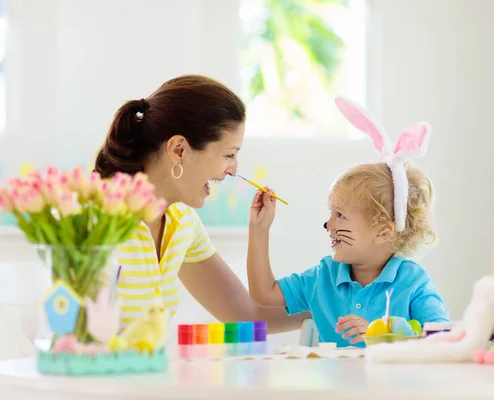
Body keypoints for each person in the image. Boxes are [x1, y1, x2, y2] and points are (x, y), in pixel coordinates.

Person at [94, 74, 307, 332]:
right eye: (229, 155)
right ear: (179, 150)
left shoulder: (182, 223)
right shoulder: (94, 216)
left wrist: (341, 303)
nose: (233, 170)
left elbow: (245, 314)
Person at [246, 99, 450, 347]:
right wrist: (259, 229)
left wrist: (383, 332)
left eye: (340, 215)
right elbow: (263, 294)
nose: (328, 224)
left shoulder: (413, 282)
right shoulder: (323, 276)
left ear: (383, 231)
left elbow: (441, 338)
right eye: (331, 213)